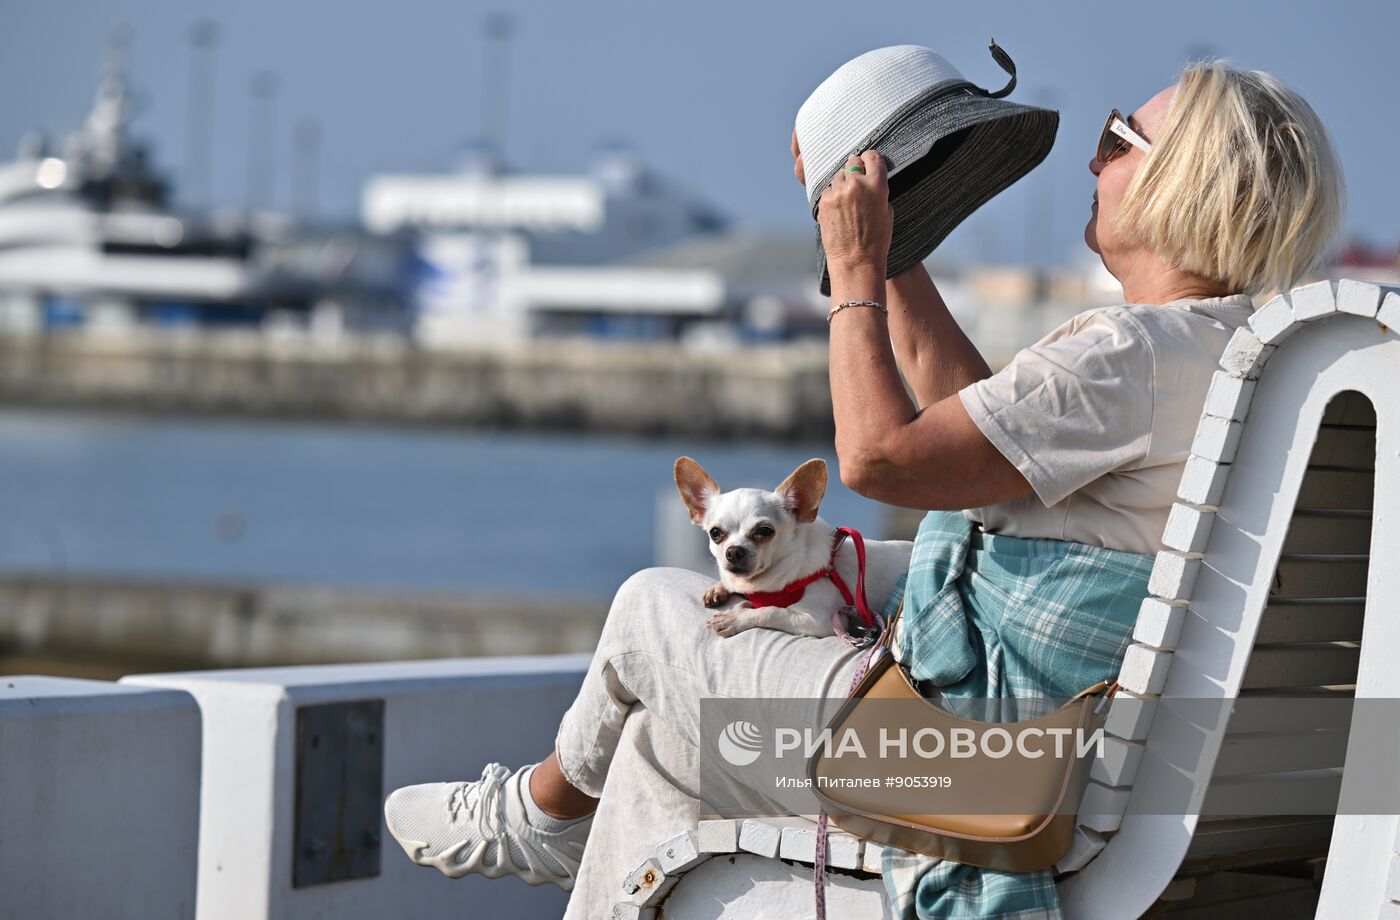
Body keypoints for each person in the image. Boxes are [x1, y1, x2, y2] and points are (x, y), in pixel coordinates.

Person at [383, 59, 1343, 920]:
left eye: (1113, 141)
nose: (1093, 165)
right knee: (654, 754)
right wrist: (895, 250)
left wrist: (851, 273)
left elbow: (880, 459)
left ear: (1186, 183)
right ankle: (553, 819)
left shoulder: (1128, 353)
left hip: (973, 765)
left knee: (647, 607)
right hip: (1113, 767)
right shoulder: (1229, 356)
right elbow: (977, 430)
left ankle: (537, 811)